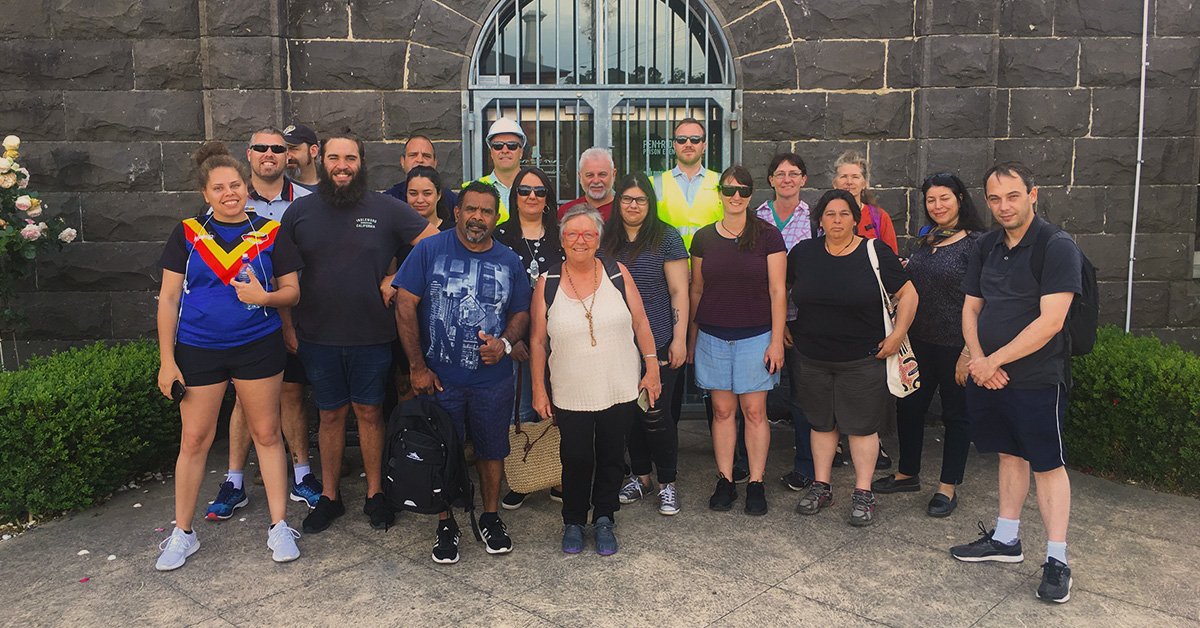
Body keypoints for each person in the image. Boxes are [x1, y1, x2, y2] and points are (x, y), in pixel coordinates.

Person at [280, 133, 439, 534]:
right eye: (334, 157)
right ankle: (330, 497)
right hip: (316, 334)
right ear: (322, 160)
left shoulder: (386, 208)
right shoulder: (299, 212)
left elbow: (433, 242)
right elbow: (280, 273)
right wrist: (287, 327)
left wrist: (396, 277)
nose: (342, 165)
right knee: (330, 416)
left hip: (372, 334)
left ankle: (375, 494)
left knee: (370, 413)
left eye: (350, 157)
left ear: (361, 162)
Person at [154, 141, 303, 570]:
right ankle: (183, 532)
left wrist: (265, 296)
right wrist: (167, 360)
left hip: (258, 344)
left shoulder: (271, 233)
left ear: (247, 187)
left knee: (267, 433)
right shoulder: (187, 233)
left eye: (235, 185)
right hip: (199, 349)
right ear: (206, 194)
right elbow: (167, 299)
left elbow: (293, 291)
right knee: (195, 440)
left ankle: (278, 526)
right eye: (218, 188)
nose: (229, 193)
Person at [950, 162, 1081, 604]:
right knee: (1009, 454)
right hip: (991, 374)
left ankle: (1058, 560)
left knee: (1046, 463)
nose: (1003, 206)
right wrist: (980, 359)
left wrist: (991, 362)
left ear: (1033, 194)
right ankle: (1007, 540)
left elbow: (1051, 322)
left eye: (1012, 196)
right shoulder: (986, 245)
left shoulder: (1056, 245)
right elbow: (971, 309)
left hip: (1037, 378)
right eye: (994, 198)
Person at [393, 181, 532, 564]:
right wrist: (417, 368)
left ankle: (490, 517)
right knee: (441, 454)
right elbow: (405, 307)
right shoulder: (429, 250)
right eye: (471, 209)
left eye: (486, 212)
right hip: (440, 379)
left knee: (492, 450)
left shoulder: (509, 261)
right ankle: (446, 522)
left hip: (493, 381)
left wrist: (504, 344)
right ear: (457, 212)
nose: (477, 218)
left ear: (497, 217)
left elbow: (521, 312)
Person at [204, 128, 321, 522]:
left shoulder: (309, 200)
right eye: (261, 148)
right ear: (248, 154)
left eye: (279, 148)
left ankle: (302, 474)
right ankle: (234, 481)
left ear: (289, 156)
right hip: (245, 320)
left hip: (296, 308)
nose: (270, 154)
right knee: (243, 401)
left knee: (292, 393)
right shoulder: (229, 198)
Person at [530, 206, 661, 556]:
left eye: (588, 234)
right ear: (561, 240)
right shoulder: (549, 282)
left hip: (619, 386)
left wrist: (652, 368)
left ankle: (604, 517)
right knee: (575, 458)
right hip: (570, 391)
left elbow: (641, 323)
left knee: (611, 457)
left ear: (599, 239)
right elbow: (538, 342)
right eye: (572, 234)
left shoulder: (618, 273)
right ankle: (573, 520)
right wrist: (539, 389)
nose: (580, 240)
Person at [789, 189, 917, 527]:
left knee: (861, 429)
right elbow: (784, 291)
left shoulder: (874, 252)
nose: (836, 220)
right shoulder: (804, 253)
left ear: (856, 218)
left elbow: (909, 294)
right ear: (819, 220)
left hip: (862, 358)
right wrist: (784, 328)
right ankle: (822, 485)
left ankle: (863, 492)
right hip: (813, 356)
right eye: (829, 214)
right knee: (821, 424)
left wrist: (897, 335)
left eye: (844, 213)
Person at [871, 172, 985, 518]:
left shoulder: (976, 244)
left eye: (944, 198)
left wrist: (970, 351)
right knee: (909, 408)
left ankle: (947, 487)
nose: (937, 206)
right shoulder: (928, 239)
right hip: (918, 341)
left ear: (960, 199)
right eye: (931, 200)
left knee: (956, 415)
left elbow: (984, 299)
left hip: (956, 346)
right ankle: (907, 473)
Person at [687, 165, 787, 516]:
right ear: (719, 194)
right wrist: (691, 338)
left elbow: (778, 291)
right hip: (713, 336)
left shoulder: (769, 236)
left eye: (743, 190)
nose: (736, 197)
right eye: (729, 190)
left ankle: (756, 482)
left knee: (755, 411)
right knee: (723, 411)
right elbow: (696, 289)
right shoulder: (703, 238)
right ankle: (726, 479)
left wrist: (776, 341)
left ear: (751, 194)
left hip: (755, 336)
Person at [603, 173, 689, 516]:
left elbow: (679, 291)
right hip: (617, 345)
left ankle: (668, 482)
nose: (633, 205)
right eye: (627, 199)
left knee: (656, 415)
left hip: (659, 340)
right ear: (618, 201)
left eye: (640, 199)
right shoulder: (606, 239)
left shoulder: (666, 237)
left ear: (650, 203)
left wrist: (679, 340)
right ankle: (642, 477)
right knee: (629, 416)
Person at [494, 166, 566, 510]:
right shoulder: (501, 236)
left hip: (562, 339)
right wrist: (511, 338)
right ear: (515, 196)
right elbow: (494, 292)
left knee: (561, 404)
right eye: (525, 191)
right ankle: (522, 477)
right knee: (520, 408)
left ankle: (558, 474)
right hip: (518, 341)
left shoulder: (561, 236)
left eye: (539, 191)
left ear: (548, 198)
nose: (532, 197)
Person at [755, 153, 816, 493]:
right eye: (780, 174)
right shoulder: (756, 217)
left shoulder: (814, 219)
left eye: (794, 173)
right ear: (771, 180)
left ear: (804, 179)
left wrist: (789, 323)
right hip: (760, 319)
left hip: (802, 321)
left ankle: (805, 466)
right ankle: (745, 463)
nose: (787, 179)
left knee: (802, 397)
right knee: (752, 395)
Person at [834, 150, 898, 255]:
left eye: (855, 177)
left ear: (865, 183)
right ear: (834, 183)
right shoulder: (825, 217)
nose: (849, 182)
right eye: (844, 176)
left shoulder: (879, 217)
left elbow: (891, 258)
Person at [465, 118, 525, 223]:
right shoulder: (471, 189)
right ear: (491, 153)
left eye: (512, 146)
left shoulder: (536, 189)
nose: (505, 150)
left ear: (521, 152)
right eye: (498, 146)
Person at [384, 134, 458, 218]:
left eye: (426, 156)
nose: (420, 160)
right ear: (402, 161)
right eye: (413, 155)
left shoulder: (451, 200)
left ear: (435, 163)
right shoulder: (389, 200)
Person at [557, 147, 616, 221]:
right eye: (589, 175)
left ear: (613, 174)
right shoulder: (566, 213)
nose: (596, 181)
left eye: (602, 174)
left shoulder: (626, 212)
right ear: (580, 176)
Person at [283, 124, 320, 191]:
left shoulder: (333, 188)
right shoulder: (276, 189)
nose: (287, 155)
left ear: (313, 151)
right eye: (283, 149)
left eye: (293, 148)